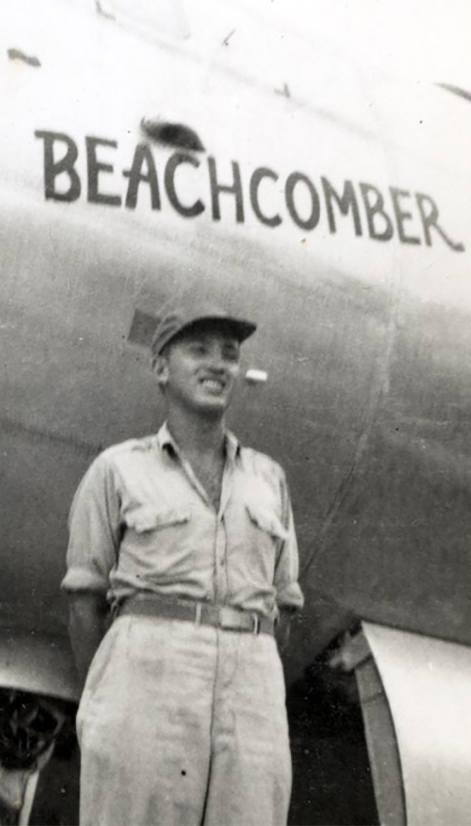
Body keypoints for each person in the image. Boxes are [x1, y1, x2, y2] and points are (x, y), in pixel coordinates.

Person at [63, 303, 303, 825]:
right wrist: (107, 702)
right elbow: (84, 604)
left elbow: (284, 605)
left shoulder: (269, 480)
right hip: (144, 682)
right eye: (199, 350)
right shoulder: (117, 470)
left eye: (229, 354)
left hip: (251, 691)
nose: (217, 364)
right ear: (161, 368)